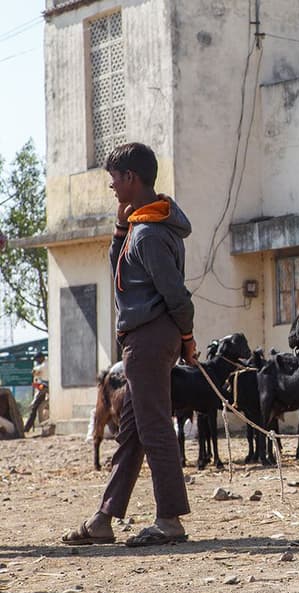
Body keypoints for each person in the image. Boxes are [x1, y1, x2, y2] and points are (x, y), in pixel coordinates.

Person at [61, 142, 197, 547]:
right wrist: (119, 229)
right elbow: (122, 270)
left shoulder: (151, 235)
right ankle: (104, 517)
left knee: (154, 428)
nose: (111, 186)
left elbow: (177, 296)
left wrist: (188, 338)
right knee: (134, 431)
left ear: (132, 179)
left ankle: (169, 520)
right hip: (150, 338)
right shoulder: (142, 227)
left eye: (115, 179)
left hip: (150, 339)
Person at [24, 353, 51, 435]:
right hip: (45, 387)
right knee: (40, 408)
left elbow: (35, 372)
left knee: (35, 407)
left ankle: (26, 428)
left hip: (44, 387)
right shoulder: (46, 363)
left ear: (41, 358)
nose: (37, 361)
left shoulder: (44, 365)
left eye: (37, 359)